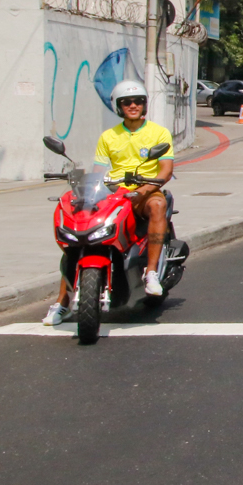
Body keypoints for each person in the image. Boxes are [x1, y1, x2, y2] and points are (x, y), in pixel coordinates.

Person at [43, 79, 176, 326]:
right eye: (127, 102)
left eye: (138, 101)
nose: (133, 105)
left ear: (144, 104)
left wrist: (145, 189)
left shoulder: (159, 133)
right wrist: (86, 188)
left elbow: (166, 170)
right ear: (118, 106)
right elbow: (99, 171)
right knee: (80, 236)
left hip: (144, 192)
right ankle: (62, 302)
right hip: (116, 193)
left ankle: (151, 273)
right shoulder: (108, 136)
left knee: (158, 206)